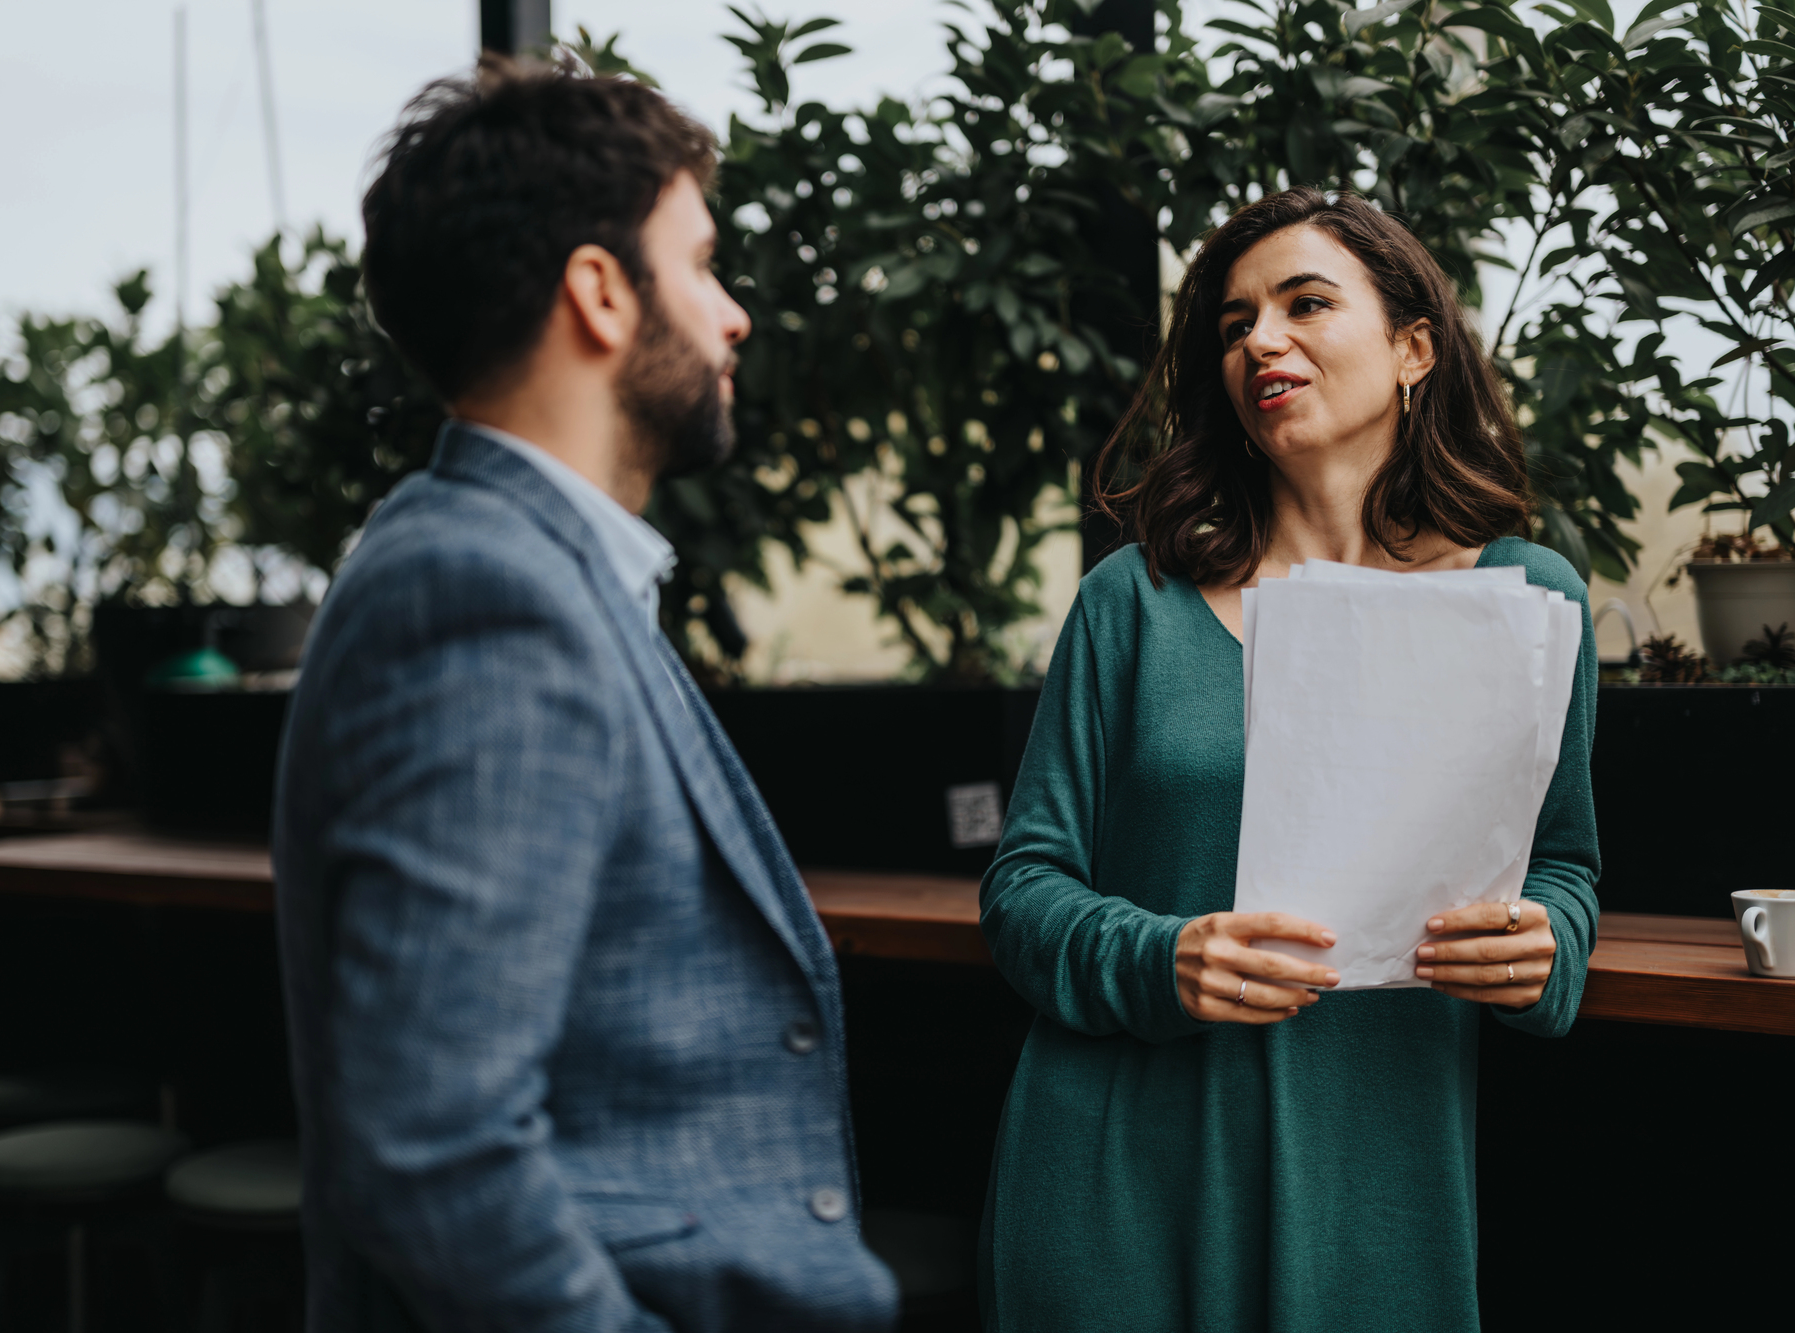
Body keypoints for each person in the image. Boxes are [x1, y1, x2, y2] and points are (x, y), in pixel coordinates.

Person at [273, 59, 897, 1332]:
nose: (731, 316)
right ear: (600, 293)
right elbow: (433, 1147)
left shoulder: (525, 568)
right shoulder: (481, 593)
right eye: (702, 264)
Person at [976, 188, 1599, 1331]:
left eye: (1304, 303)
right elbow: (1021, 889)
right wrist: (1163, 958)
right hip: (1118, 1183)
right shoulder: (1132, 603)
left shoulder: (1526, 601)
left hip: (1378, 1181)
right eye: (1232, 324)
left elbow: (1562, 865)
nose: (1258, 339)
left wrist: (1542, 948)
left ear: (1413, 347)